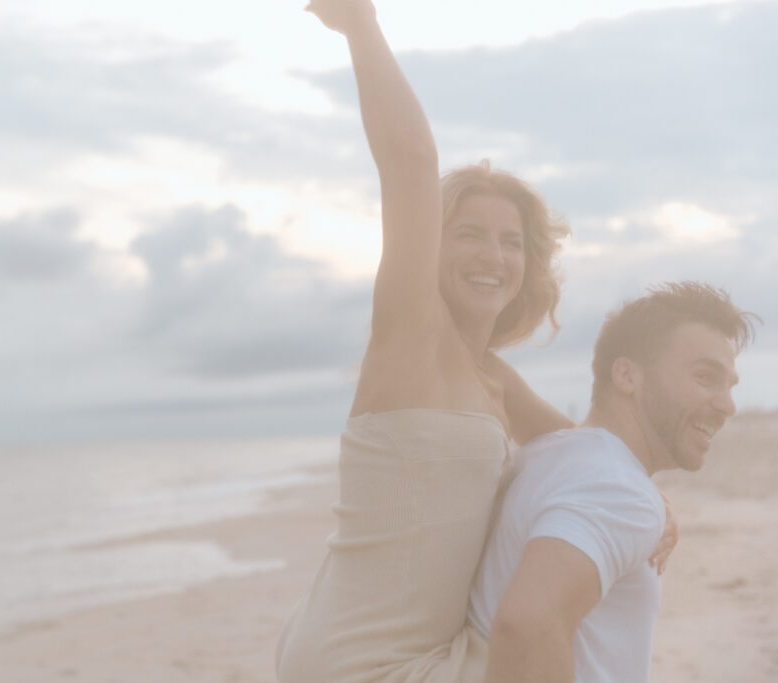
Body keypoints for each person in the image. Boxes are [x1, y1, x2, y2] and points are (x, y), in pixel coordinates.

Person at [275, 1, 677, 681]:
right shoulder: (411, 338)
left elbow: (589, 452)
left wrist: (654, 504)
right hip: (364, 661)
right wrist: (360, 23)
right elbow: (409, 162)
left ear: (528, 266)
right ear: (430, 247)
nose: (492, 254)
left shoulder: (491, 376)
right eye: (468, 233)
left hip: (429, 649)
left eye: (510, 241)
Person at [471, 282, 756, 682]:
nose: (727, 405)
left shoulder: (549, 452)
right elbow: (525, 626)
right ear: (626, 375)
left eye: (729, 386)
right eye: (705, 377)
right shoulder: (618, 489)